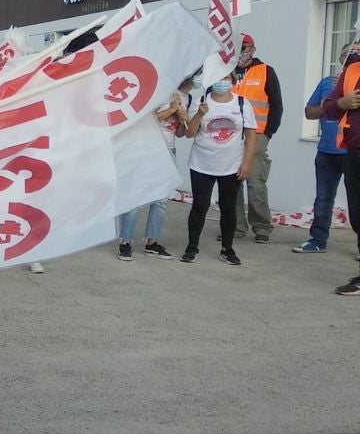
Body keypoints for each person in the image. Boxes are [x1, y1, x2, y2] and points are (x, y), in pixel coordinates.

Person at [180, 77, 257, 265]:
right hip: (202, 164)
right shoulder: (201, 102)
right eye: (218, 78)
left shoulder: (241, 103)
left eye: (226, 78)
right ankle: (192, 247)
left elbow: (250, 134)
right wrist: (199, 114)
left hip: (231, 165)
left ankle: (227, 249)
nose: (222, 82)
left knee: (228, 207)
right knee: (200, 205)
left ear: (232, 80)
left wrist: (246, 163)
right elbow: (189, 133)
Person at [293, 46, 349, 254]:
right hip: (327, 150)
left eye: (355, 54)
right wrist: (329, 104)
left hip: (353, 150)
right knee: (323, 197)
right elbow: (309, 112)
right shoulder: (327, 83)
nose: (349, 58)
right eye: (346, 55)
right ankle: (317, 240)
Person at [115, 92, 183, 260]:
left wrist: (182, 115)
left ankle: (152, 242)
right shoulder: (156, 91)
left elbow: (181, 132)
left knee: (161, 200)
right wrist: (172, 109)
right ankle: (126, 242)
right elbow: (147, 120)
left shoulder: (182, 97)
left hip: (169, 150)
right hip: (146, 149)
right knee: (135, 197)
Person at [232, 33, 282, 243]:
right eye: (238, 46)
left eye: (245, 46)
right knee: (232, 183)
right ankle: (235, 227)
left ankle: (261, 227)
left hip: (258, 134)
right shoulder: (227, 72)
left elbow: (277, 106)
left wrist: (269, 132)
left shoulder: (266, 72)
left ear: (253, 48)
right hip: (231, 136)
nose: (241, 50)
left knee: (255, 183)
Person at [320, 42, 360, 294]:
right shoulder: (352, 70)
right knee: (358, 215)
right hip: (354, 152)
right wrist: (343, 103)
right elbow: (329, 109)